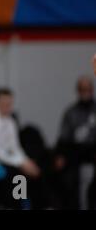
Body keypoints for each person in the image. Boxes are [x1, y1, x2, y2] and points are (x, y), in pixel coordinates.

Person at [0, 88, 41, 209]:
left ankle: (36, 204)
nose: (7, 106)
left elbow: (15, 147)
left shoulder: (10, 121)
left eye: (10, 103)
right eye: (4, 103)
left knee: (35, 170)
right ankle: (15, 205)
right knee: (16, 174)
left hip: (8, 159)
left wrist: (25, 161)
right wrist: (19, 163)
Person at [55, 75, 96, 209]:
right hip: (76, 153)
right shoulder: (71, 112)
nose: (85, 92)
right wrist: (60, 156)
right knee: (70, 180)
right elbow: (64, 137)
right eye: (82, 89)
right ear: (78, 91)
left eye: (88, 89)